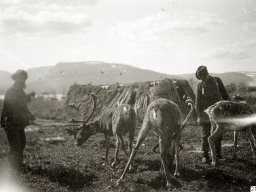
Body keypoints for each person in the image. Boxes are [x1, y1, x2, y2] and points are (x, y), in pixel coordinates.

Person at [195, 66, 230, 163]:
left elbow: (225, 95)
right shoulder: (199, 85)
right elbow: (197, 102)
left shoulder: (217, 81)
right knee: (205, 134)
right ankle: (205, 155)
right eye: (199, 77)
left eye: (202, 77)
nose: (201, 79)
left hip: (218, 112)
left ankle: (218, 154)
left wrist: (229, 108)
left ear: (206, 74)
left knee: (218, 133)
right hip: (205, 113)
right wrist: (199, 116)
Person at [1, 70, 35, 170]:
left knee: (22, 143)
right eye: (21, 78)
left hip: (18, 121)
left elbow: (23, 102)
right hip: (11, 121)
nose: (23, 80)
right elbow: (11, 108)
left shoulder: (19, 90)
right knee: (16, 145)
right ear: (15, 78)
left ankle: (17, 164)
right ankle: (14, 166)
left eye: (24, 78)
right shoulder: (12, 91)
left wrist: (28, 113)